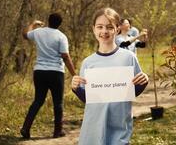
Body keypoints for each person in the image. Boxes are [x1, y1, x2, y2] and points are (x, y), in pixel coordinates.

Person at [71, 8, 149, 145]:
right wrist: (76, 88)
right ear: (93, 29)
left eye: (109, 27)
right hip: (93, 128)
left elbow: (130, 93)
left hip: (119, 128)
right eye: (100, 27)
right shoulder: (88, 63)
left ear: (117, 29)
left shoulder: (128, 58)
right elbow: (89, 99)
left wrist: (143, 82)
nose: (104, 31)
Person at [20, 13, 76, 139]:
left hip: (39, 72)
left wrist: (33, 24)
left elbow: (25, 34)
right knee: (58, 102)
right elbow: (65, 56)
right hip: (56, 72)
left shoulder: (38, 32)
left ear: (48, 21)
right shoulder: (61, 37)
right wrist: (74, 74)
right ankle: (57, 131)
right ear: (60, 24)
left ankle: (25, 128)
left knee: (38, 100)